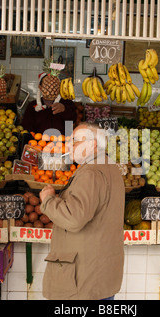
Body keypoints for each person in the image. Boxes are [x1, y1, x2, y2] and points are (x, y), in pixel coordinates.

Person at [39, 122, 125, 300]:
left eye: (75, 141)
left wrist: (48, 200)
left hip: (83, 278)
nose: (69, 145)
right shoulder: (111, 167)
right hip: (100, 274)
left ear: (93, 145)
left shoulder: (91, 173)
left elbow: (74, 219)